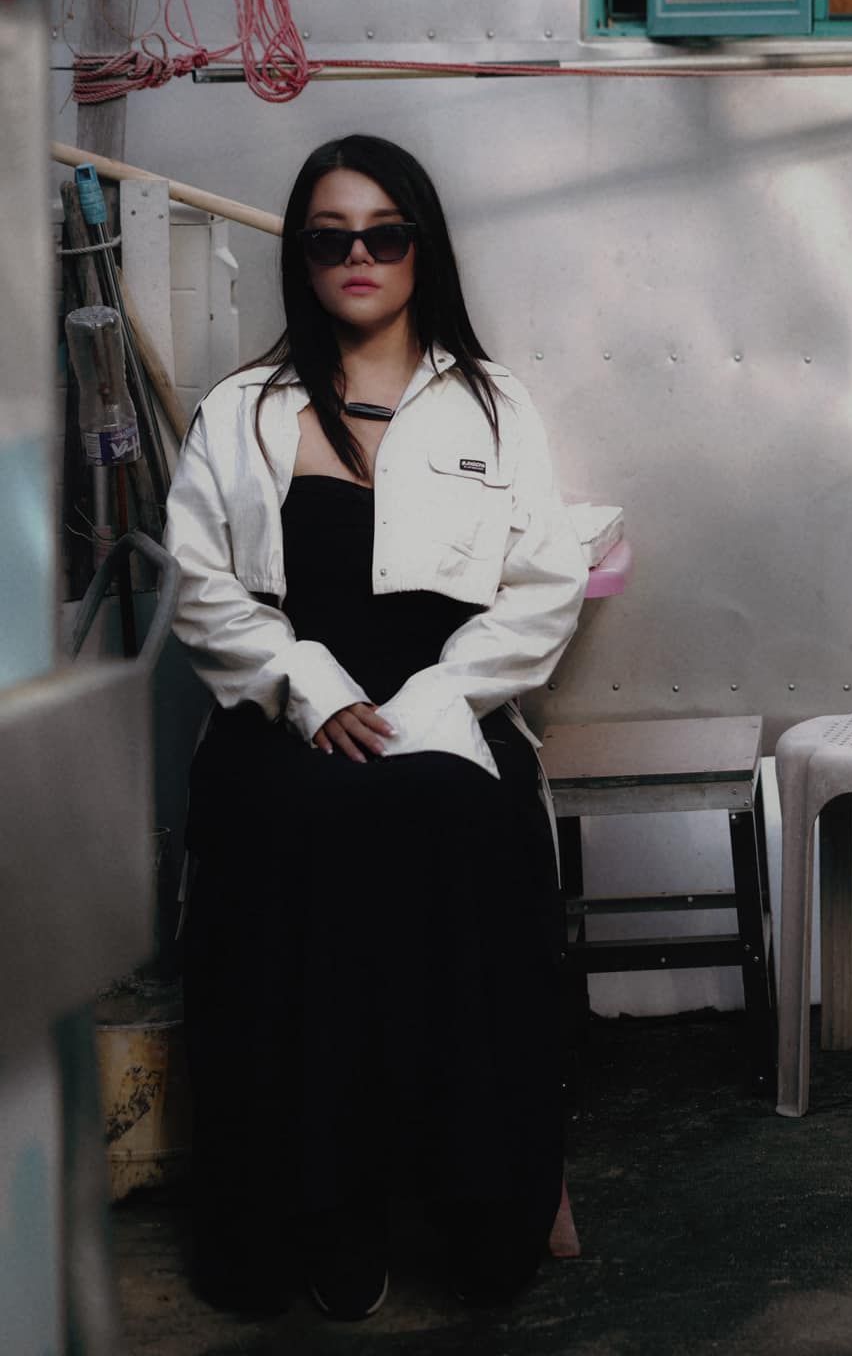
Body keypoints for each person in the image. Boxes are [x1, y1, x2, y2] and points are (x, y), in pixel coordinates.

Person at [162, 132, 588, 1321]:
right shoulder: (242, 411)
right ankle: (320, 1216)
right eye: (330, 236)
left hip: (448, 706)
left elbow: (544, 585)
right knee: (290, 841)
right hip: (285, 712)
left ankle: (479, 1211)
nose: (358, 255)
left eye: (384, 232)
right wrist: (308, 686)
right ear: (300, 256)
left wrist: (439, 698)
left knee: (455, 822)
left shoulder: (497, 407)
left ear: (420, 248)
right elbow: (200, 587)